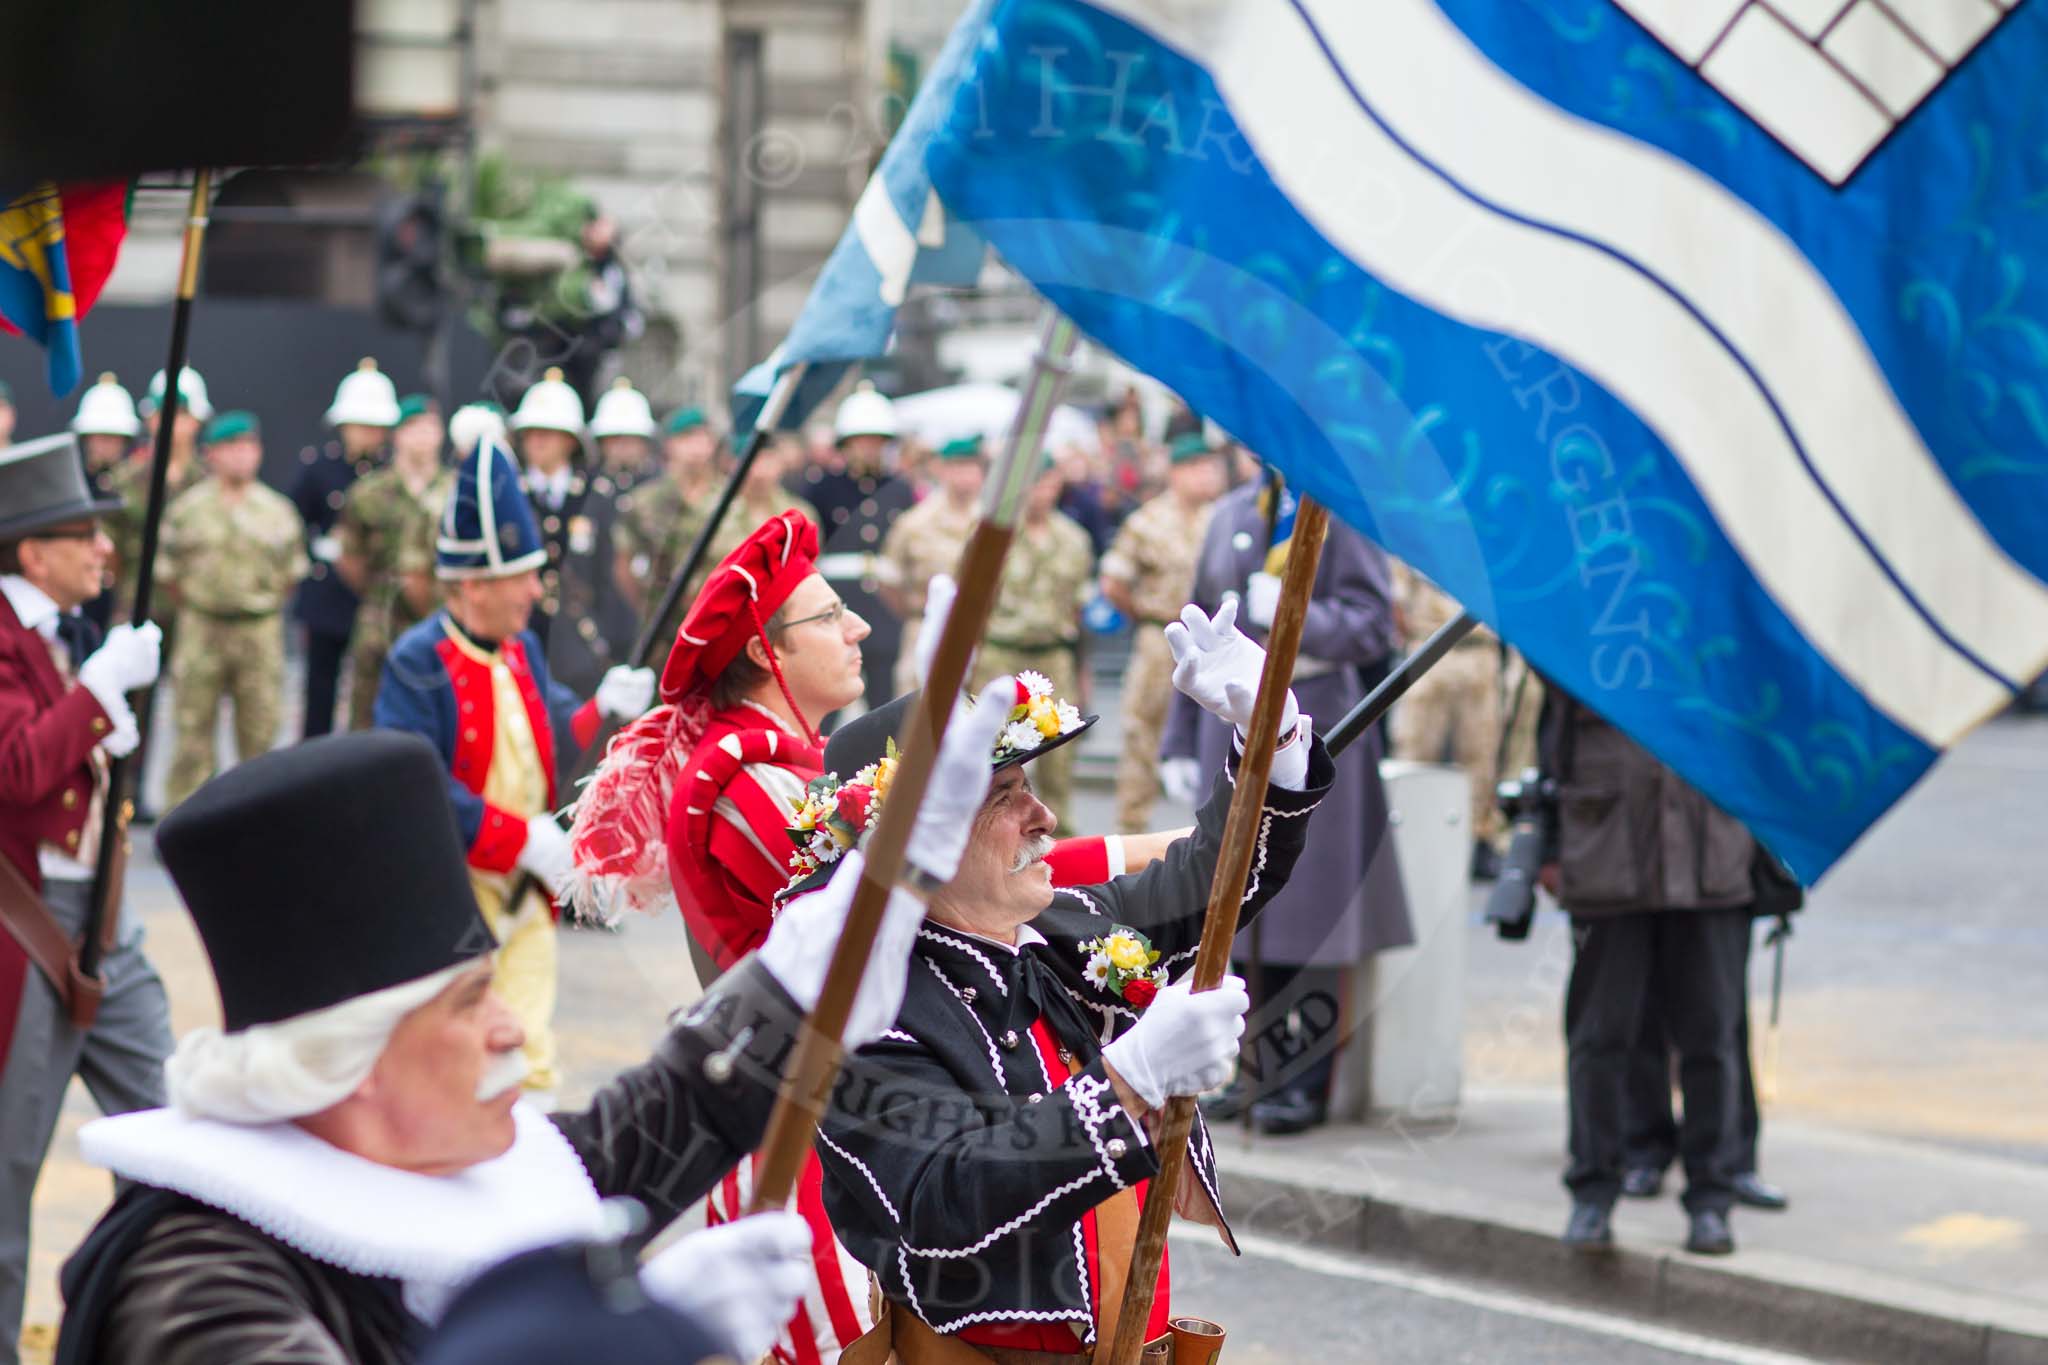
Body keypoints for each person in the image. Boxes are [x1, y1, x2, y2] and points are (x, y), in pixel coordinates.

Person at [52, 713, 1012, 1365]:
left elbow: (687, 1096)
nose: (512, 1024)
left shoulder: (436, 1151)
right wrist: (610, 1337)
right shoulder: (192, 1274)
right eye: (470, 1000)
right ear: (352, 1055)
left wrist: (887, 882)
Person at [570, 522, 1180, 1365]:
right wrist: (1122, 854)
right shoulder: (753, 785)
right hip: (800, 1121)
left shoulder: (788, 764)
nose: (856, 627)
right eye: (827, 616)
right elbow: (921, 881)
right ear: (766, 652)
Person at [812, 603, 1334, 1359]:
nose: (1045, 814)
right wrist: (1129, 1077)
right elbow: (940, 1203)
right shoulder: (863, 1011)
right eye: (1006, 796)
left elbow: (1210, 883)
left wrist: (1272, 741)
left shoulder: (1057, 927)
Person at [374, 437, 655, 1099]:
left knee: (530, 1058)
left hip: (525, 892)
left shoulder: (522, 646)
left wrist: (601, 707)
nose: (537, 588)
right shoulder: (418, 661)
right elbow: (412, 784)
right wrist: (520, 837)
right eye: (523, 575)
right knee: (460, 1060)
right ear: (474, 584)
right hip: (455, 899)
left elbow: (548, 728)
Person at [1162, 476, 1410, 1136]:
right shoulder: (1233, 511)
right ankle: (1250, 1070)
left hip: (1319, 725)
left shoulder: (1339, 507)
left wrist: (1303, 612)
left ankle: (1305, 1078)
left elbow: (1372, 623)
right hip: (1231, 726)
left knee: (1314, 916)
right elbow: (1194, 628)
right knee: (1238, 908)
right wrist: (1178, 738)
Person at [0, 438, 174, 1365]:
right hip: (21, 931)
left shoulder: (55, 630)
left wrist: (96, 701)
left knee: (175, 1131)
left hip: (106, 922)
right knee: (4, 1181)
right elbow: (19, 772)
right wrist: (99, 694)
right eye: (85, 538)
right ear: (33, 553)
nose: (104, 552)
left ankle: (138, 1326)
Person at [1539, 687, 1755, 1256]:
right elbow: (1552, 753)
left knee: (1711, 1042)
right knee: (1599, 1039)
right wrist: (1548, 850)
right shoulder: (1587, 638)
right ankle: (1592, 1191)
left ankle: (1711, 1198)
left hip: (1713, 865)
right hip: (1607, 862)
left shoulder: (1720, 637)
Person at [159, 412, 308, 808]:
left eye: (249, 447)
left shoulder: (278, 511)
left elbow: (291, 574)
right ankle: (185, 820)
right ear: (211, 454)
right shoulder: (187, 509)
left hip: (258, 631)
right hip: (201, 626)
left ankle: (257, 822)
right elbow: (169, 574)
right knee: (192, 732)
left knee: (260, 734)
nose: (242, 456)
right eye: (232, 448)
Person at [1099, 431, 1224, 832]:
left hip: (1214, 642)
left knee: (1215, 733)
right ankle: (1131, 830)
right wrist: (1146, 615)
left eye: (1210, 466)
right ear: (1175, 472)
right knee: (1143, 734)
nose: (1206, 475)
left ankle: (1210, 836)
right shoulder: (1148, 520)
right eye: (1196, 467)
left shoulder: (1223, 518)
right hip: (1160, 638)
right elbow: (1113, 582)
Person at [969, 461, 1095, 827]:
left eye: (1047, 481)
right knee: (991, 755)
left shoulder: (1074, 538)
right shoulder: (994, 534)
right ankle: (988, 835)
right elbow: (973, 600)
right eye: (1033, 481)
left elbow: (1077, 608)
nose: (1041, 490)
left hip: (1053, 655)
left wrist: (1082, 670)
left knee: (1060, 761)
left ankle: (1059, 839)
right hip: (1000, 653)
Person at [1388, 559, 1518, 879]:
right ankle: (1407, 840)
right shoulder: (1415, 525)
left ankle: (1477, 838)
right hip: (1427, 646)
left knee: (1480, 752)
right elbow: (1396, 600)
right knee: (1416, 752)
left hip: (1479, 649)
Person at [511, 368, 634, 699]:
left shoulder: (598, 495)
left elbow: (610, 578)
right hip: (518, 642)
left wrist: (613, 647)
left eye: (549, 432)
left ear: (570, 440)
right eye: (530, 431)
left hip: (582, 650)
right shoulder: (508, 493)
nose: (537, 440)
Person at [292, 359, 399, 737]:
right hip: (328, 594)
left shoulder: (392, 472)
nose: (367, 434)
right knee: (320, 690)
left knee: (372, 696)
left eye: (375, 426)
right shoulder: (320, 468)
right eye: (359, 424)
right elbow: (296, 523)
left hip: (378, 597)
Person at [338, 395, 451, 732]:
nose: (421, 436)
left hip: (441, 621)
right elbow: (350, 559)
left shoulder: (457, 491)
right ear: (397, 435)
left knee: (439, 720)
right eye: (412, 427)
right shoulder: (369, 492)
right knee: (366, 723)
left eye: (429, 427)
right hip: (380, 623)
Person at [804, 383, 915, 712]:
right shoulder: (822, 488)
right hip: (837, 601)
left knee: (885, 703)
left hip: (884, 607)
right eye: (861, 441)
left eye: (876, 442)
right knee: (828, 698)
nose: (868, 449)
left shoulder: (899, 490)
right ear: (845, 445)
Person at [877, 433, 984, 691]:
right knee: (916, 717)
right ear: (942, 470)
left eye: (971, 467)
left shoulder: (991, 524)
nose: (965, 476)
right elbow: (888, 581)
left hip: (983, 640)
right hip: (924, 632)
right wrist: (920, 612)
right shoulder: (915, 522)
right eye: (957, 467)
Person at [105, 366, 211, 627]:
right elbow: (110, 549)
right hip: (136, 606)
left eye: (181, 414)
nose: (171, 422)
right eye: (163, 413)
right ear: (149, 419)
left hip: (194, 614)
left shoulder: (210, 481)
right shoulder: (124, 480)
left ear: (196, 421)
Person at [611, 406, 720, 653]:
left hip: (720, 633)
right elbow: (623, 566)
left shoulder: (732, 500)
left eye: (702, 437)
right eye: (686, 437)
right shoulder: (645, 502)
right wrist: (650, 607)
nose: (695, 446)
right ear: (669, 444)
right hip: (663, 637)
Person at [68, 374, 143, 632]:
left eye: (113, 438)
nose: (106, 445)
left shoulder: (138, 487)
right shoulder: (70, 485)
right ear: (86, 438)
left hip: (125, 599)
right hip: (79, 595)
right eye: (100, 437)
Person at [586, 377, 658, 494]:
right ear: (601, 442)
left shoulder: (658, 482)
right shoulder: (587, 484)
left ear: (644, 442)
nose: (623, 444)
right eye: (614, 437)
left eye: (631, 437)